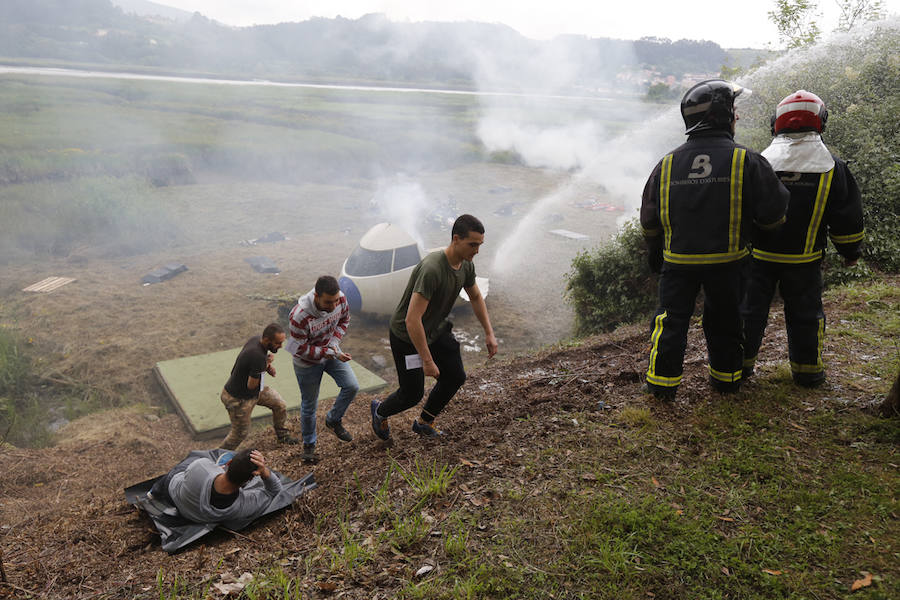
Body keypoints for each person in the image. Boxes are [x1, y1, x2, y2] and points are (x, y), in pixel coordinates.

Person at [639, 79, 790, 399]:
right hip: (728, 263)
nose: (737, 117)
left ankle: (661, 387)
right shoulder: (747, 160)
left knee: (670, 322)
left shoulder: (666, 164)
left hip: (677, 263)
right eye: (733, 111)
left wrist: (656, 251)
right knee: (726, 320)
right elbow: (773, 213)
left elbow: (649, 219)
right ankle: (726, 380)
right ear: (722, 116)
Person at [742, 90, 864, 387]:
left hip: (758, 259)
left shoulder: (759, 162)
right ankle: (808, 373)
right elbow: (846, 217)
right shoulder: (833, 167)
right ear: (820, 121)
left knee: (748, 313)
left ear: (777, 123)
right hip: (804, 261)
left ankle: (738, 367)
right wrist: (850, 251)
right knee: (806, 315)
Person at [371, 214, 498, 440]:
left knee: (455, 375)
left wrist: (489, 332)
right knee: (412, 394)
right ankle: (380, 412)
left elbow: (476, 297)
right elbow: (412, 320)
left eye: (480, 245)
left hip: (435, 330)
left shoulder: (466, 265)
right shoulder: (432, 269)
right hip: (407, 336)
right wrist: (427, 360)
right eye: (473, 244)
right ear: (456, 239)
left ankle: (424, 422)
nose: (477, 250)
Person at [288, 275, 359, 464]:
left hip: (331, 350)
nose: (333, 306)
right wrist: (326, 353)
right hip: (307, 363)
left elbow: (344, 320)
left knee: (351, 386)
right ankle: (309, 445)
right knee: (309, 405)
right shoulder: (299, 316)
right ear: (316, 296)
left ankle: (333, 420)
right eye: (328, 302)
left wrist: (334, 345)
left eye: (336, 300)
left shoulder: (340, 299)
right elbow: (297, 348)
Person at [220, 323, 298, 450]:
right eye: (278, 343)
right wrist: (264, 365)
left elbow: (256, 364)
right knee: (239, 434)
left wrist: (266, 366)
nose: (280, 346)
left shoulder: (256, 340)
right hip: (238, 398)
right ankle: (216, 457)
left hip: (255, 392)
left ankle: (282, 435)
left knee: (279, 405)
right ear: (267, 340)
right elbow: (251, 385)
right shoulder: (257, 356)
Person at [166, 449, 283, 524]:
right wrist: (264, 471)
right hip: (196, 518)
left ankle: (154, 492)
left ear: (228, 463)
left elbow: (184, 475)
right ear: (251, 479)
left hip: (174, 496)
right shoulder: (241, 505)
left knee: (191, 459)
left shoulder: (201, 466)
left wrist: (215, 470)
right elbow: (276, 491)